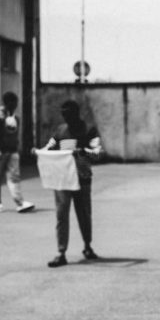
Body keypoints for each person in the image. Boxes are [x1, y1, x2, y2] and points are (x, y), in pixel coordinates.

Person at [41, 100, 102, 268]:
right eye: (64, 115)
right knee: (61, 216)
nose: (66, 118)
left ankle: (87, 246)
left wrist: (83, 151)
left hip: (82, 178)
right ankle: (61, 252)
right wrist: (39, 152)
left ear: (77, 113)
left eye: (69, 115)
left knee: (84, 214)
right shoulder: (60, 131)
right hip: (62, 180)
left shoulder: (89, 130)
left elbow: (97, 153)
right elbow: (49, 148)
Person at [0, 91, 35, 213]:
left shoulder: (16, 118)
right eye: (14, 103)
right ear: (7, 103)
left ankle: (20, 202)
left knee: (14, 177)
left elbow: (15, 135)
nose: (16, 105)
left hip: (13, 151)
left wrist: (17, 148)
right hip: (0, 152)